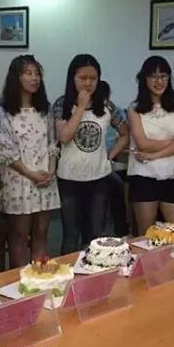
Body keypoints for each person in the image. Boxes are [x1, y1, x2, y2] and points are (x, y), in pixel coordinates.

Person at [53, 54, 128, 254]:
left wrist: (110, 155)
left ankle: (93, 271)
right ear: (72, 78)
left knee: (95, 235)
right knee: (70, 236)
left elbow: (124, 133)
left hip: (99, 178)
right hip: (69, 179)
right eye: (83, 78)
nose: (88, 83)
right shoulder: (62, 104)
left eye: (93, 78)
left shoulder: (106, 105)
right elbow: (64, 137)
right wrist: (80, 107)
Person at [0, 55, 60, 269]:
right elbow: (6, 150)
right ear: (16, 77)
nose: (34, 78)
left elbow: (52, 143)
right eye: (28, 73)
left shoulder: (44, 109)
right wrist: (31, 174)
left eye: (37, 74)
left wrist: (50, 170)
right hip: (19, 181)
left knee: (41, 233)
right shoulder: (2, 111)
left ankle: (39, 278)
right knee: (19, 236)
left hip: (45, 179)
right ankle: (20, 281)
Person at [128, 56, 174, 233]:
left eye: (163, 76)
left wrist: (154, 154)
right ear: (144, 79)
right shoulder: (134, 108)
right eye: (153, 77)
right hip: (144, 174)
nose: (159, 81)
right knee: (146, 234)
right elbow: (143, 144)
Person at [101, 80, 130, 236]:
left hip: (114, 158)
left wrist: (110, 156)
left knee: (118, 186)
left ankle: (122, 231)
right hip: (93, 162)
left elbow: (125, 134)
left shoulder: (114, 111)